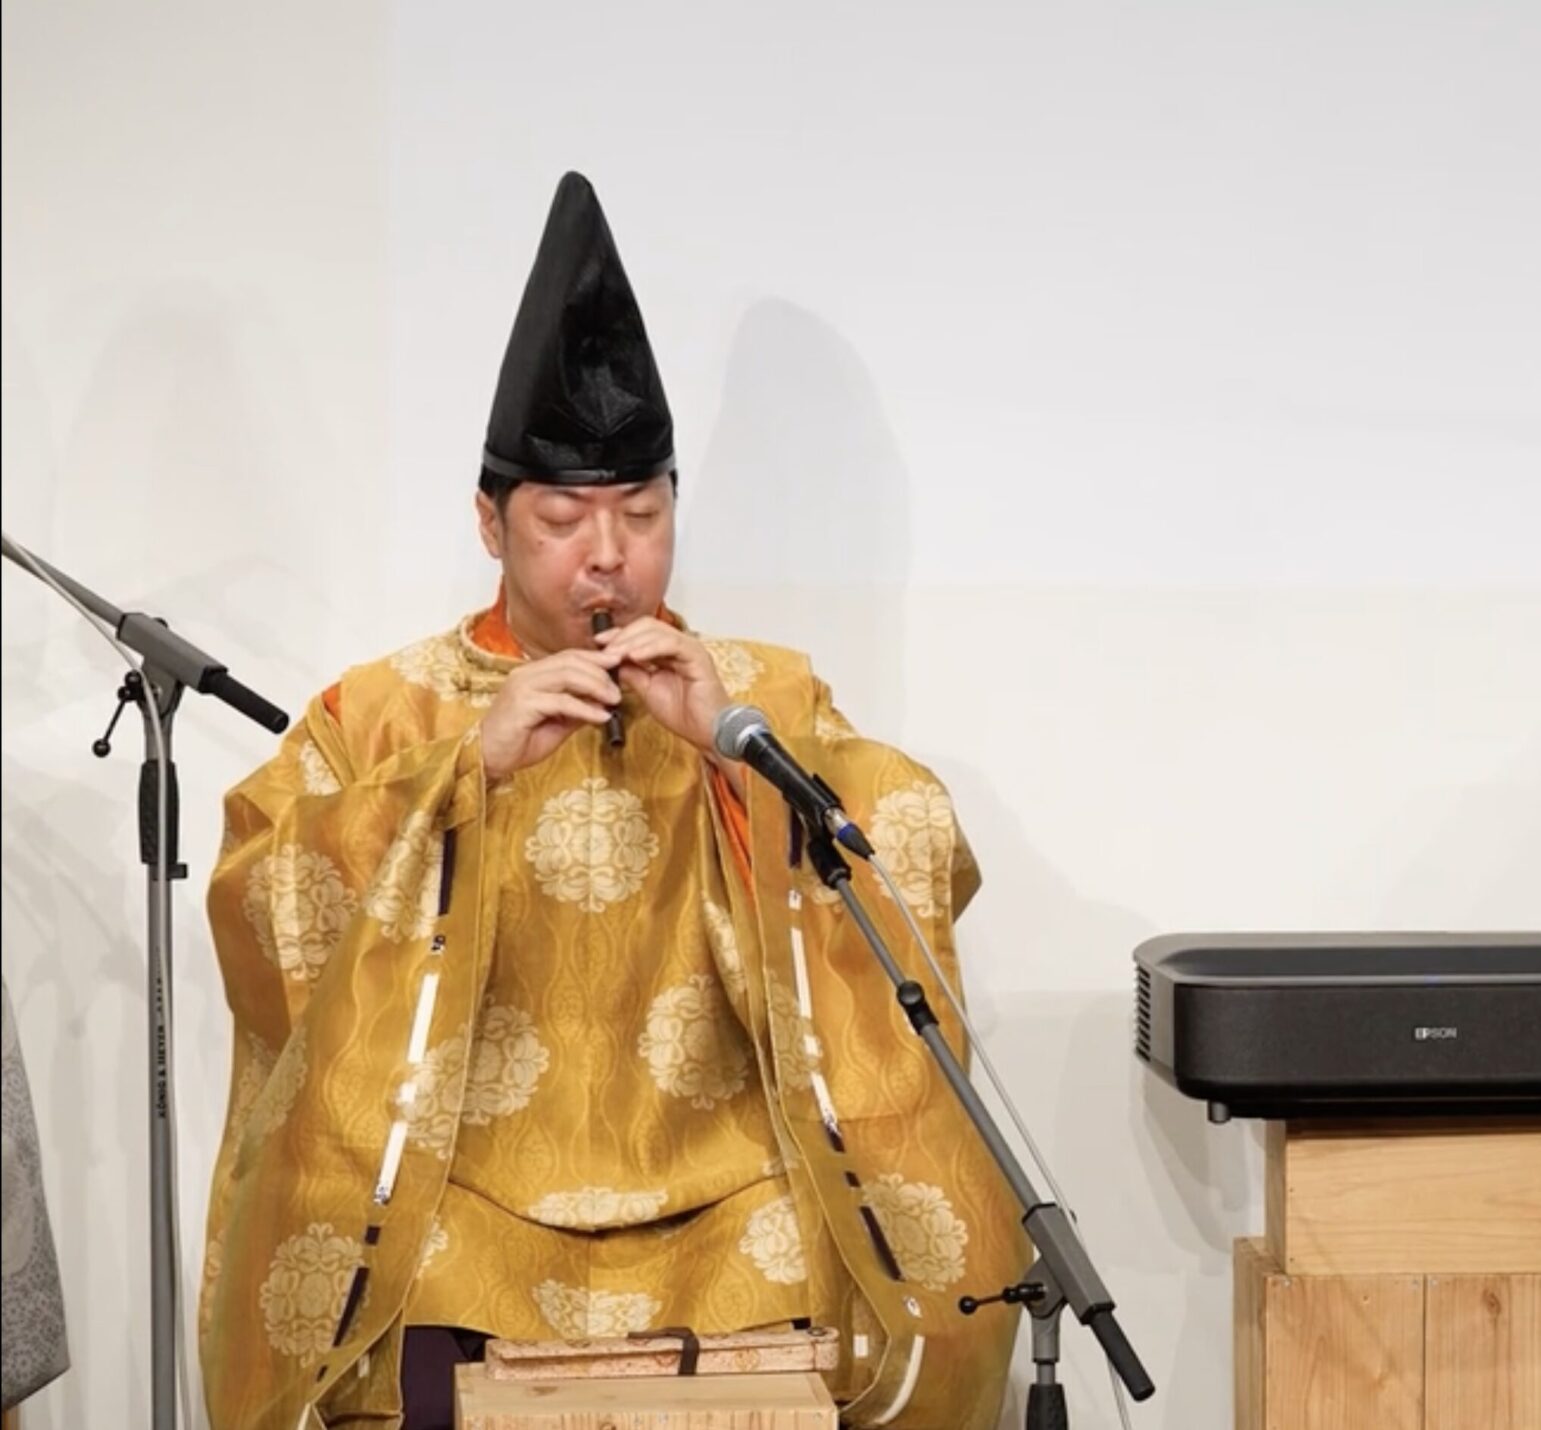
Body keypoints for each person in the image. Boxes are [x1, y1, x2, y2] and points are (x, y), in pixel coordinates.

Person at [196, 172, 1026, 1429]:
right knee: (375, 1302)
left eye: (641, 513)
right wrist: (456, 776)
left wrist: (743, 757)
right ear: (490, 522)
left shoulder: (757, 692)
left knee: (876, 1276)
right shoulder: (383, 711)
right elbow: (260, 898)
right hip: (457, 1198)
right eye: (564, 517)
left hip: (728, 1193)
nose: (608, 553)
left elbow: (915, 846)